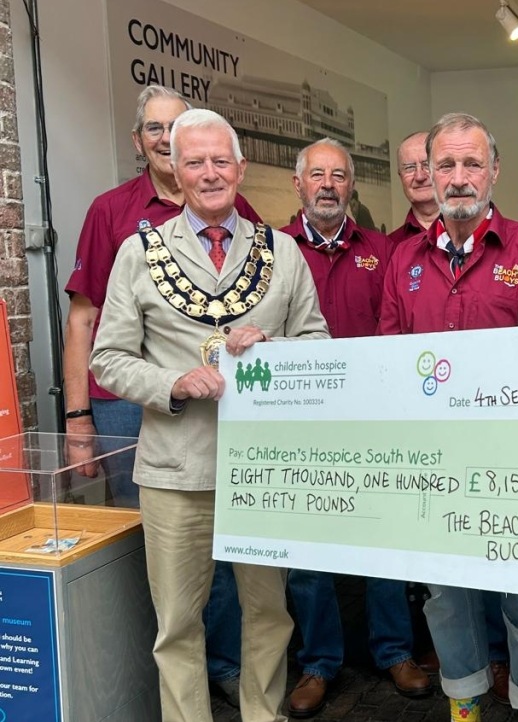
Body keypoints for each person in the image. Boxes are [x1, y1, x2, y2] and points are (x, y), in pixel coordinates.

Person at [90, 108, 329, 722]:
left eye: (221, 160)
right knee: (177, 624)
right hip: (175, 466)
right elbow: (108, 359)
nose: (209, 172)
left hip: (263, 469)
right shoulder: (137, 253)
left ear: (241, 167)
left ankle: (262, 716)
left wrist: (274, 353)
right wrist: (174, 381)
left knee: (270, 614)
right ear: (173, 169)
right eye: (194, 161)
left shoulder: (283, 252)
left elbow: (320, 345)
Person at [378, 112, 518, 722]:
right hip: (431, 466)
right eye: (446, 166)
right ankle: (466, 711)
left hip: (513, 465)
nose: (458, 178)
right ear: (428, 174)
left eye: (471, 164)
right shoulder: (402, 259)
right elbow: (388, 362)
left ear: (494, 171)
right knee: (446, 599)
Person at [279, 138, 429, 716]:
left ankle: (394, 651)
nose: (327, 185)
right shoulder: (273, 251)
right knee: (309, 555)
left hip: (373, 418)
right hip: (303, 424)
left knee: (382, 543)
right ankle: (318, 662)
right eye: (316, 174)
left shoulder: (383, 251)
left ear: (352, 186)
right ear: (299, 185)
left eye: (338, 175)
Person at [63, 85, 260, 507]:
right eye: (154, 128)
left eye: (176, 127)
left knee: (215, 519)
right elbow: (82, 318)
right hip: (125, 402)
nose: (166, 137)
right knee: (140, 526)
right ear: (138, 140)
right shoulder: (110, 210)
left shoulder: (233, 204)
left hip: (211, 396)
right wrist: (78, 420)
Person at [389, 131, 440, 243]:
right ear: (400, 176)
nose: (419, 176)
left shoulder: (472, 234)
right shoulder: (391, 246)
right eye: (409, 168)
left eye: (427, 165)